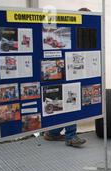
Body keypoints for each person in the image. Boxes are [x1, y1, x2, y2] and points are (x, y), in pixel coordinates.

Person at [44, 7, 92, 147]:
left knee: (68, 104)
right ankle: (70, 136)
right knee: (72, 104)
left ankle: (52, 133)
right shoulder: (68, 31)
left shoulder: (81, 32)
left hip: (73, 73)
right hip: (66, 73)